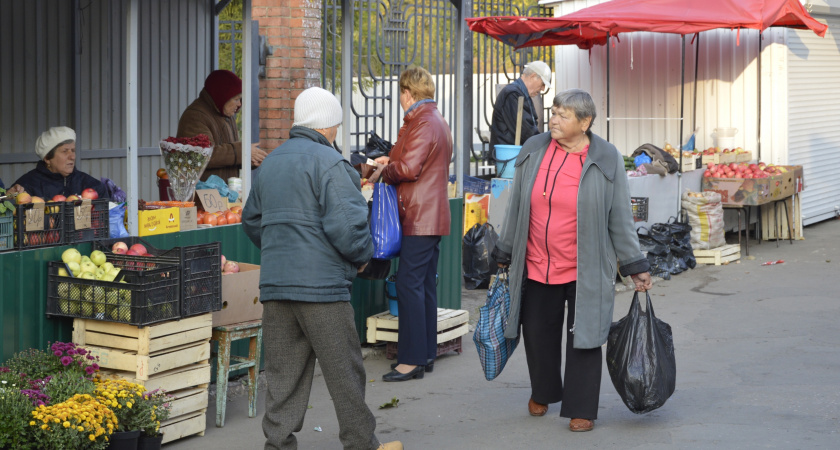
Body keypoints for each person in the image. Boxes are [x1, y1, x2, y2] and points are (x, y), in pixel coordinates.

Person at [241, 87, 402, 450]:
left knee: (284, 376)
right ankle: (361, 444)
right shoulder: (331, 163)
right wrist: (362, 258)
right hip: (322, 289)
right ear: (329, 126)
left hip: (277, 287)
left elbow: (251, 220)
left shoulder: (271, 163)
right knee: (345, 372)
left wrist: (281, 251)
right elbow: (349, 227)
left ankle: (278, 444)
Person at [491, 89, 652, 432]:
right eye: (553, 112)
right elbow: (517, 204)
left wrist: (634, 264)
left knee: (586, 335)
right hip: (537, 262)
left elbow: (620, 217)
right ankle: (544, 391)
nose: (554, 120)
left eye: (564, 116)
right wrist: (504, 250)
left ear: (585, 122)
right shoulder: (533, 148)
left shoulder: (605, 157)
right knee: (536, 332)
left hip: (585, 267)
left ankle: (582, 407)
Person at [369, 67, 452, 382]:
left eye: (400, 93)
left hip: (420, 216)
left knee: (408, 284)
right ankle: (426, 354)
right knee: (424, 285)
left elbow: (409, 168)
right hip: (430, 214)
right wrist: (392, 163)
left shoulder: (422, 122)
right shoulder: (436, 120)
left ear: (408, 93)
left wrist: (382, 171)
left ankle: (412, 360)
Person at [177, 69, 268, 181]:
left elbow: (228, 158)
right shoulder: (195, 116)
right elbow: (201, 155)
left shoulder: (226, 115)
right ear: (222, 96)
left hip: (222, 193)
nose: (239, 104)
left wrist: (249, 158)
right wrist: (242, 152)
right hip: (203, 193)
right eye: (236, 99)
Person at [7, 127, 106, 199]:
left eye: (73, 150)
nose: (72, 157)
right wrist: (9, 198)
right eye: (65, 151)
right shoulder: (26, 186)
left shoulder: (93, 186)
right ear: (47, 158)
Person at [489, 61, 551, 160]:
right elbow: (526, 131)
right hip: (508, 158)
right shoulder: (513, 94)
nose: (543, 89)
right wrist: (546, 143)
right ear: (533, 76)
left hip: (511, 157)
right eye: (543, 84)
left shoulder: (519, 93)